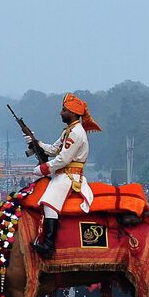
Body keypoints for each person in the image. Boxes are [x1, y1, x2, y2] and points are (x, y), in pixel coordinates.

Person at [25, 92, 100, 258]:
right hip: (61, 174)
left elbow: (63, 159)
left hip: (69, 176)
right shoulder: (69, 130)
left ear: (73, 113)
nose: (61, 113)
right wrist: (35, 142)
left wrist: (43, 169)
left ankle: (49, 245)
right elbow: (53, 149)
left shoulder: (76, 133)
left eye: (64, 110)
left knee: (49, 203)